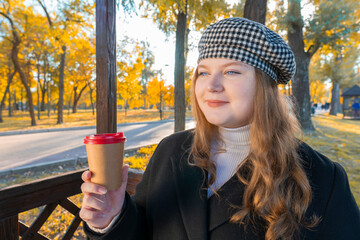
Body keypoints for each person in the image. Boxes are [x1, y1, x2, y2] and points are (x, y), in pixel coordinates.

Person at [80, 18, 360, 240]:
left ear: (264, 87)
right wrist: (112, 219)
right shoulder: (171, 151)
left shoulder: (321, 178)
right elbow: (141, 231)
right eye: (203, 72)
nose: (211, 85)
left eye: (231, 72)